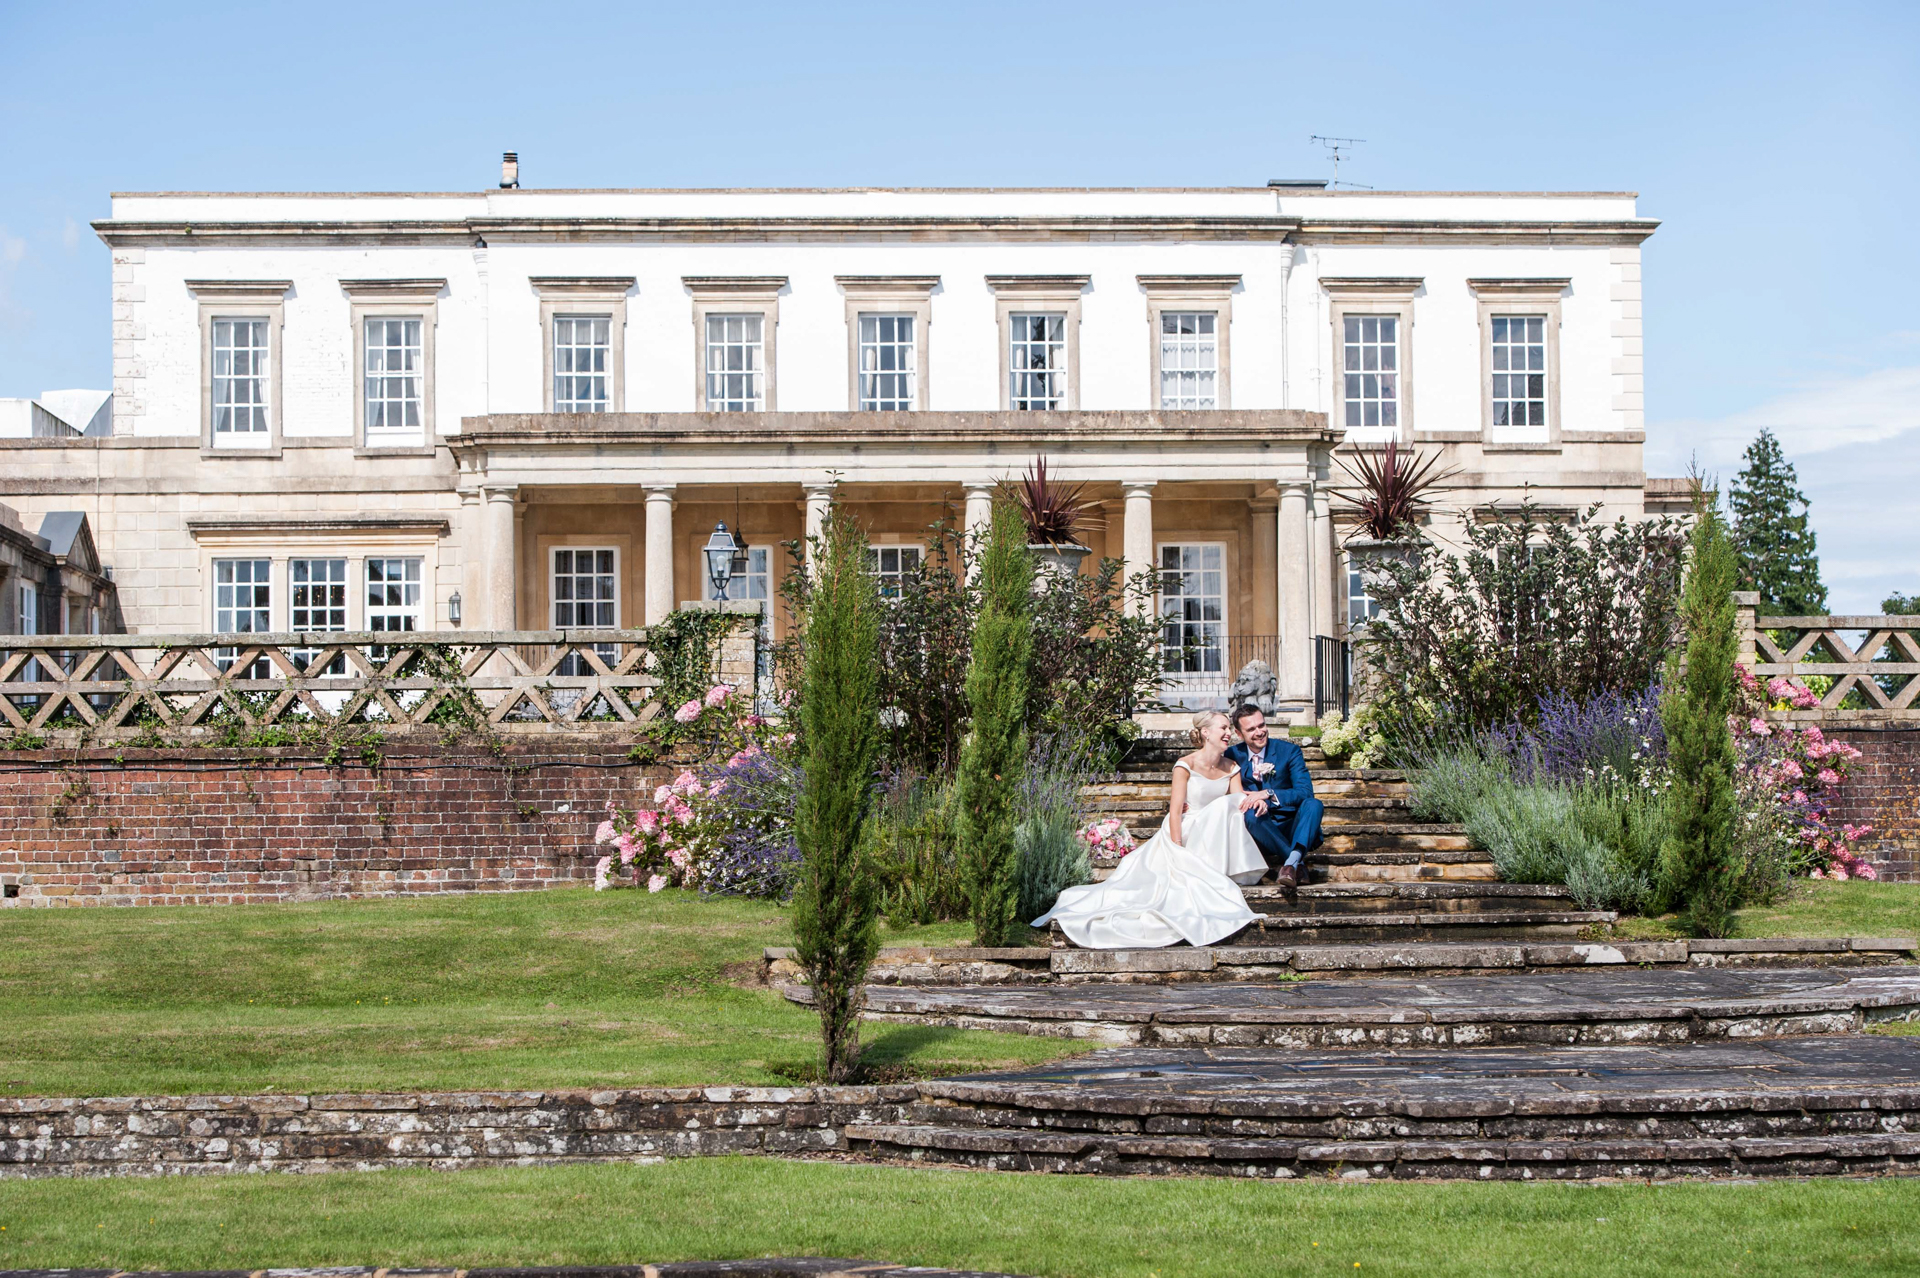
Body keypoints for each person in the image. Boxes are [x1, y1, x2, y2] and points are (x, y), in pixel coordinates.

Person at [1031, 709, 1264, 948]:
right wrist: (1177, 848)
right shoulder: (1185, 765)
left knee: (1229, 807)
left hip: (1214, 831)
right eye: (1223, 728)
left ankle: (1225, 867)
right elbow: (1175, 812)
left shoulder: (1231, 766)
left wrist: (1261, 795)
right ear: (1205, 732)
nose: (1228, 733)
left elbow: (1238, 802)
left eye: (1228, 729)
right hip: (1185, 829)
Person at [1224, 702, 1324, 888]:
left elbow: (1304, 792)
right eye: (1251, 729)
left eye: (1261, 725)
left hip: (1291, 825)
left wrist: (1268, 794)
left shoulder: (1289, 751)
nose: (1260, 732)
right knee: (1251, 815)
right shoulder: (1231, 755)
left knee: (1314, 804)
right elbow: (1213, 782)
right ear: (1239, 734)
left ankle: (1289, 863)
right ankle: (1296, 864)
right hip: (1259, 829)